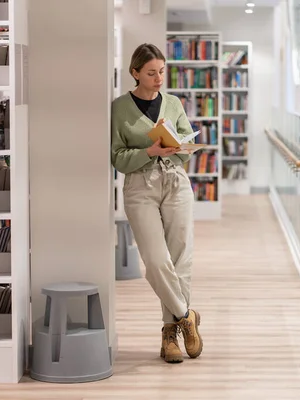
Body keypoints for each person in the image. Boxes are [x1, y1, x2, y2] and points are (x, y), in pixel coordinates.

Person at [110, 43, 203, 364]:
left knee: (181, 259)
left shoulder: (174, 104)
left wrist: (178, 147)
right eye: (151, 73)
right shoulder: (119, 108)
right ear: (135, 73)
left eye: (161, 71)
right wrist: (149, 152)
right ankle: (186, 315)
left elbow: (186, 141)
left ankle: (170, 334)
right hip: (140, 185)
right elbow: (117, 157)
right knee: (155, 258)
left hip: (175, 181)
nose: (158, 78)